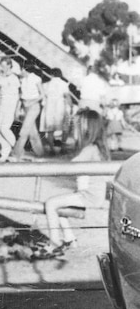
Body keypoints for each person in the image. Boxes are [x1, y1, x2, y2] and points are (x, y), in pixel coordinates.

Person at [36, 110, 109, 258]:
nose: (73, 130)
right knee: (59, 206)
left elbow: (70, 166)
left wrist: (45, 163)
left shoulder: (90, 149)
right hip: (90, 194)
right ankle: (69, 239)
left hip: (89, 195)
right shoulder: (94, 148)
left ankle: (55, 244)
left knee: (51, 204)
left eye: (76, 127)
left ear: (86, 129)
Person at [12, 64, 45, 159]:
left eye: (21, 69)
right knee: (32, 132)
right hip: (25, 106)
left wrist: (31, 102)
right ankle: (40, 154)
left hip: (34, 107)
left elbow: (42, 94)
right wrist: (17, 109)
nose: (20, 71)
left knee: (23, 131)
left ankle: (16, 154)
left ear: (25, 69)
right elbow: (21, 97)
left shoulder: (36, 78)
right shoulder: (22, 80)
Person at [0, 58, 20, 162]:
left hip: (10, 105)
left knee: (5, 128)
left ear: (9, 65)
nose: (2, 68)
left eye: (4, 66)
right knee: (0, 130)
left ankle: (17, 148)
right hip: (2, 105)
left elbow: (17, 95)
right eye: (1, 66)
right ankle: (4, 154)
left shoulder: (14, 78)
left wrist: (17, 108)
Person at [40, 68, 72, 149]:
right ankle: (63, 148)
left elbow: (43, 96)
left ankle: (52, 149)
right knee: (65, 128)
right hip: (60, 107)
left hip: (49, 108)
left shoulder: (46, 84)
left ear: (52, 74)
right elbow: (67, 96)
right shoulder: (64, 84)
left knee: (50, 130)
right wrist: (71, 107)